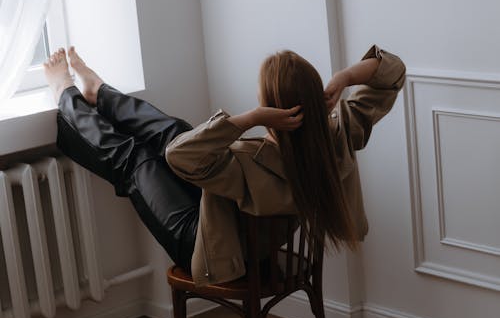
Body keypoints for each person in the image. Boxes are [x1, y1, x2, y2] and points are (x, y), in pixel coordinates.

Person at [44, 45, 405, 286]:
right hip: (240, 229)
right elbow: (391, 70)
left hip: (210, 247)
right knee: (175, 131)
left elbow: (178, 157)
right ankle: (99, 91)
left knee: (135, 159)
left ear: (267, 104)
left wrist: (248, 119)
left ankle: (66, 94)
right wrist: (343, 79)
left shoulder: (248, 160)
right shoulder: (338, 136)